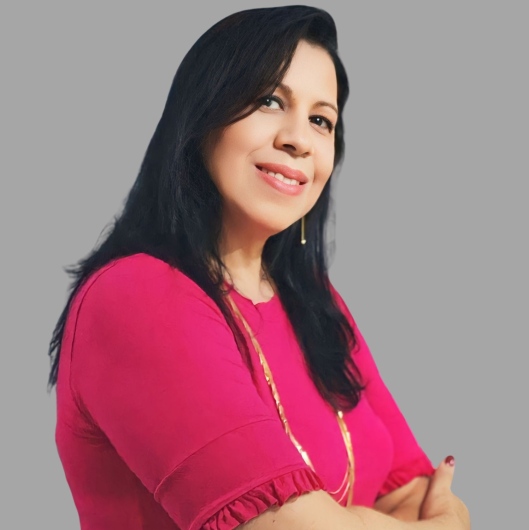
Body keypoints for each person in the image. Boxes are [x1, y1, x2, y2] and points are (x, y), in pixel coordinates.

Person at [48, 6, 470, 530]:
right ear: (202, 114)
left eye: (321, 120)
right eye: (270, 100)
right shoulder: (136, 296)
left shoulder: (316, 303)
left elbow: (418, 490)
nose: (299, 139)